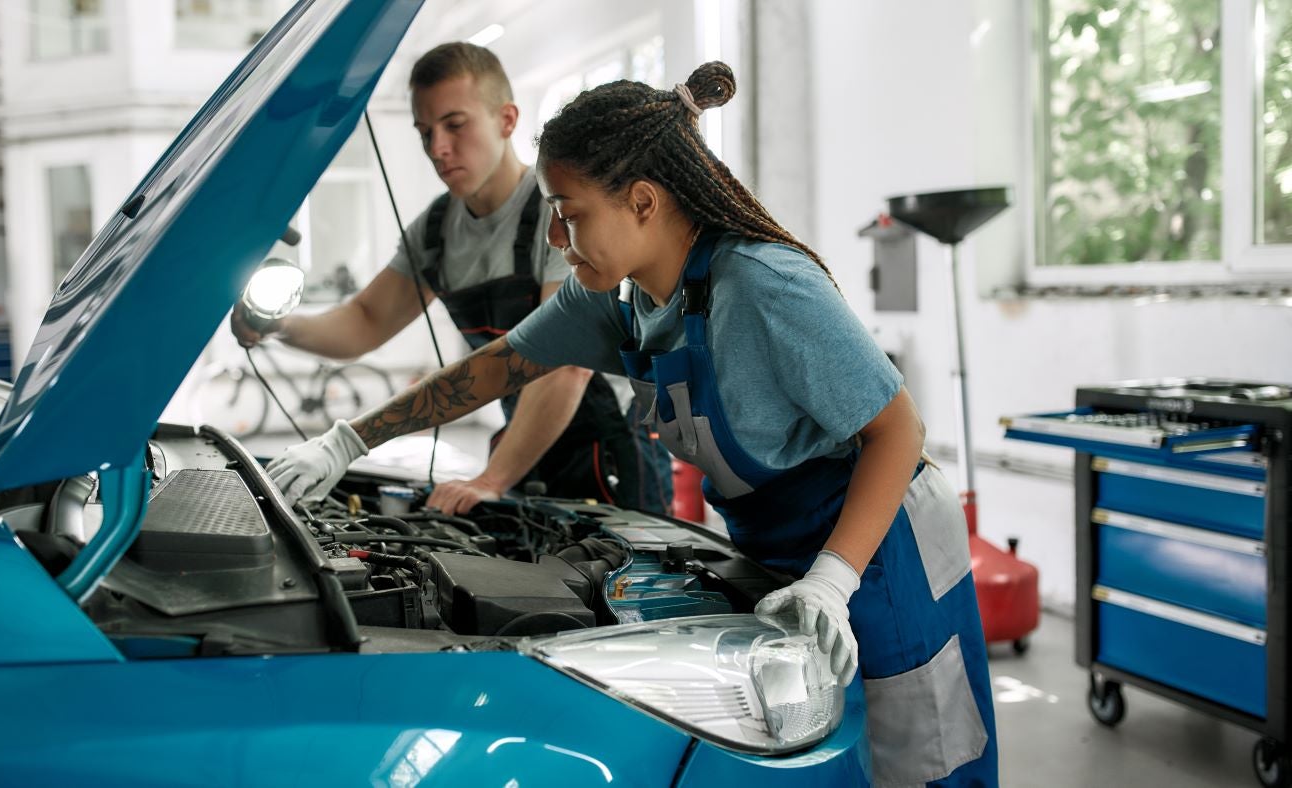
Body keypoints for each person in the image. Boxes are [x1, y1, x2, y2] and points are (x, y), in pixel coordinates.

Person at [264, 61, 997, 786]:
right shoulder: (614, 300)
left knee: (919, 759)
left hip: (882, 542)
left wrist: (834, 580)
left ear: (643, 202)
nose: (556, 236)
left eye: (570, 211)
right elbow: (492, 368)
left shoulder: (762, 285)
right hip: (780, 544)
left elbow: (899, 433)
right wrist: (351, 439)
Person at [233, 42, 671, 515]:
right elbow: (364, 321)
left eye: (455, 125)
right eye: (425, 132)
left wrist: (491, 479)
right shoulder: (435, 232)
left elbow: (563, 365)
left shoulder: (562, 213)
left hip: (607, 456)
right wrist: (278, 325)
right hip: (520, 454)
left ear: (506, 120)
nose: (438, 149)